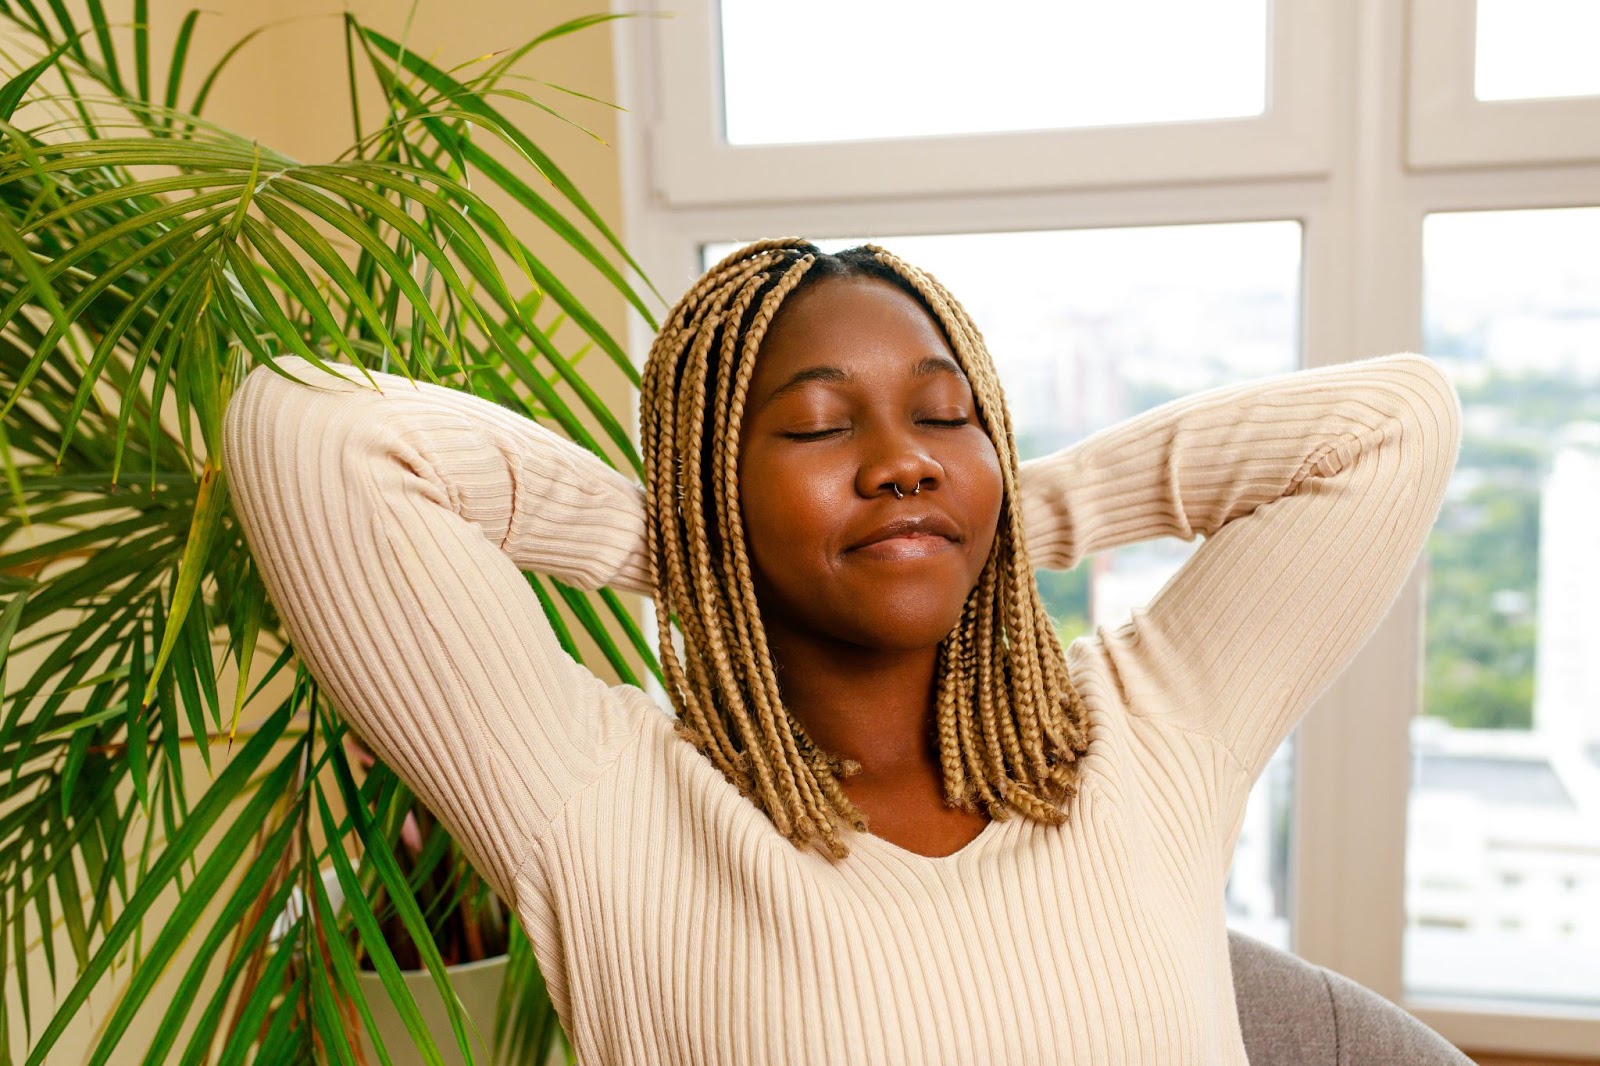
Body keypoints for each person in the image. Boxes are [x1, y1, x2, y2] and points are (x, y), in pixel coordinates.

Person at [222, 238, 1463, 1063]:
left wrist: (987, 519)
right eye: (819, 427)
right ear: (717, 487)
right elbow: (310, 429)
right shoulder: (599, 804)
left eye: (942, 417)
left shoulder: (1151, 734)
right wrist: (691, 540)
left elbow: (1388, 423)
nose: (903, 455)